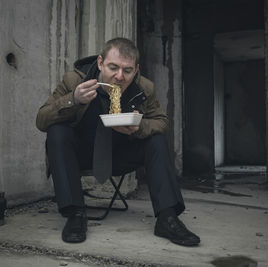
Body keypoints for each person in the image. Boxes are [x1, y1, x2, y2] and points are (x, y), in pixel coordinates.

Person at [36, 37, 200, 246]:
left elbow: (162, 122)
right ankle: (75, 214)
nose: (119, 77)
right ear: (100, 63)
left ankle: (168, 218)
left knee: (156, 140)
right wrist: (73, 99)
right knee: (57, 131)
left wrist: (139, 127)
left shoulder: (144, 88)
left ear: (136, 69)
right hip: (79, 155)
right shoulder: (74, 81)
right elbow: (41, 120)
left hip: (119, 156)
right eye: (113, 67)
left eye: (127, 71)